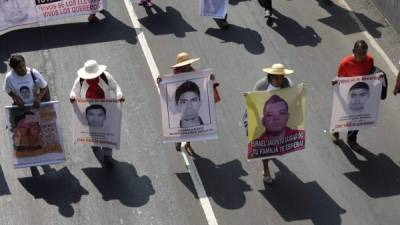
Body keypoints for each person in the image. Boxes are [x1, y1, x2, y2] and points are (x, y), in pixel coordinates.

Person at [158, 52, 218, 156]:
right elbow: (170, 88)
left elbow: (201, 85)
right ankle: (179, 140)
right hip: (181, 103)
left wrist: (210, 81)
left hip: (191, 102)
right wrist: (160, 82)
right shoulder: (175, 75)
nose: (186, 67)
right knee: (182, 124)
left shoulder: (194, 73)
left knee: (192, 126)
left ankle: (188, 144)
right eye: (184, 65)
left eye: (188, 64)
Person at [244, 63, 294, 184]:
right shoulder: (261, 86)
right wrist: (249, 97)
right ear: (270, 77)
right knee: (265, 147)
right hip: (262, 119)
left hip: (279, 123)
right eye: (276, 77)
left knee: (275, 146)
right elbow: (253, 104)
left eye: (281, 77)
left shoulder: (288, 85)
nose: (279, 80)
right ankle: (265, 169)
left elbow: (292, 100)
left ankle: (270, 157)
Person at [70, 60, 124, 166]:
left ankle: (108, 155)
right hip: (89, 110)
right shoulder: (80, 80)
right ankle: (94, 144)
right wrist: (72, 97)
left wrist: (119, 95)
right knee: (93, 132)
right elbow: (74, 91)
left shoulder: (106, 77)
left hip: (105, 109)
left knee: (107, 133)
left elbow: (116, 87)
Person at [331, 40, 374, 152]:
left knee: (357, 118)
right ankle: (336, 130)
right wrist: (335, 81)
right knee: (342, 115)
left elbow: (370, 75)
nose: (362, 57)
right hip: (347, 94)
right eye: (359, 54)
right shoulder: (344, 63)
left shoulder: (369, 60)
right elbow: (339, 78)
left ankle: (352, 140)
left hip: (360, 94)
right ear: (353, 51)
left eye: (364, 53)